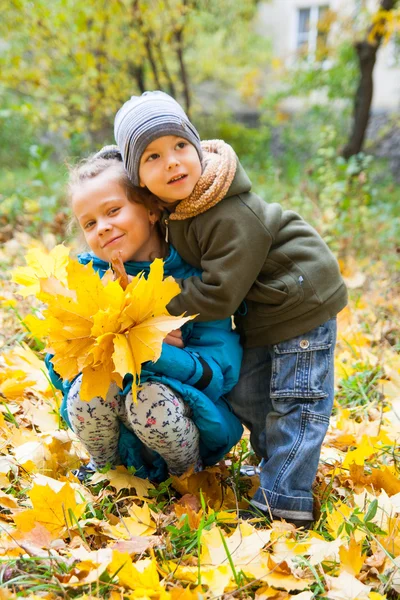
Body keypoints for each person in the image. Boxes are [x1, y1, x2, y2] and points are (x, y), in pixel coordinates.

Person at [113, 91, 348, 528]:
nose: (173, 162)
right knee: (249, 392)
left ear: (198, 146)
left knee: (297, 398)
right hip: (264, 309)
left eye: (181, 145)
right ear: (139, 178)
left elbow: (219, 293)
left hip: (300, 297)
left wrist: (155, 303)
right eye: (153, 156)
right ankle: (273, 467)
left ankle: (286, 499)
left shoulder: (226, 210)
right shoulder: (182, 209)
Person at [46, 146, 243, 483]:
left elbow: (220, 368)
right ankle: (107, 470)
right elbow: (58, 361)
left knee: (147, 397)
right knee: (86, 391)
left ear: (151, 210)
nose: (103, 228)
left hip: (180, 415)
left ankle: (186, 477)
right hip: (115, 431)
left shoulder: (191, 277)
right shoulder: (84, 279)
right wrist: (106, 338)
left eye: (113, 211)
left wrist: (153, 349)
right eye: (90, 223)